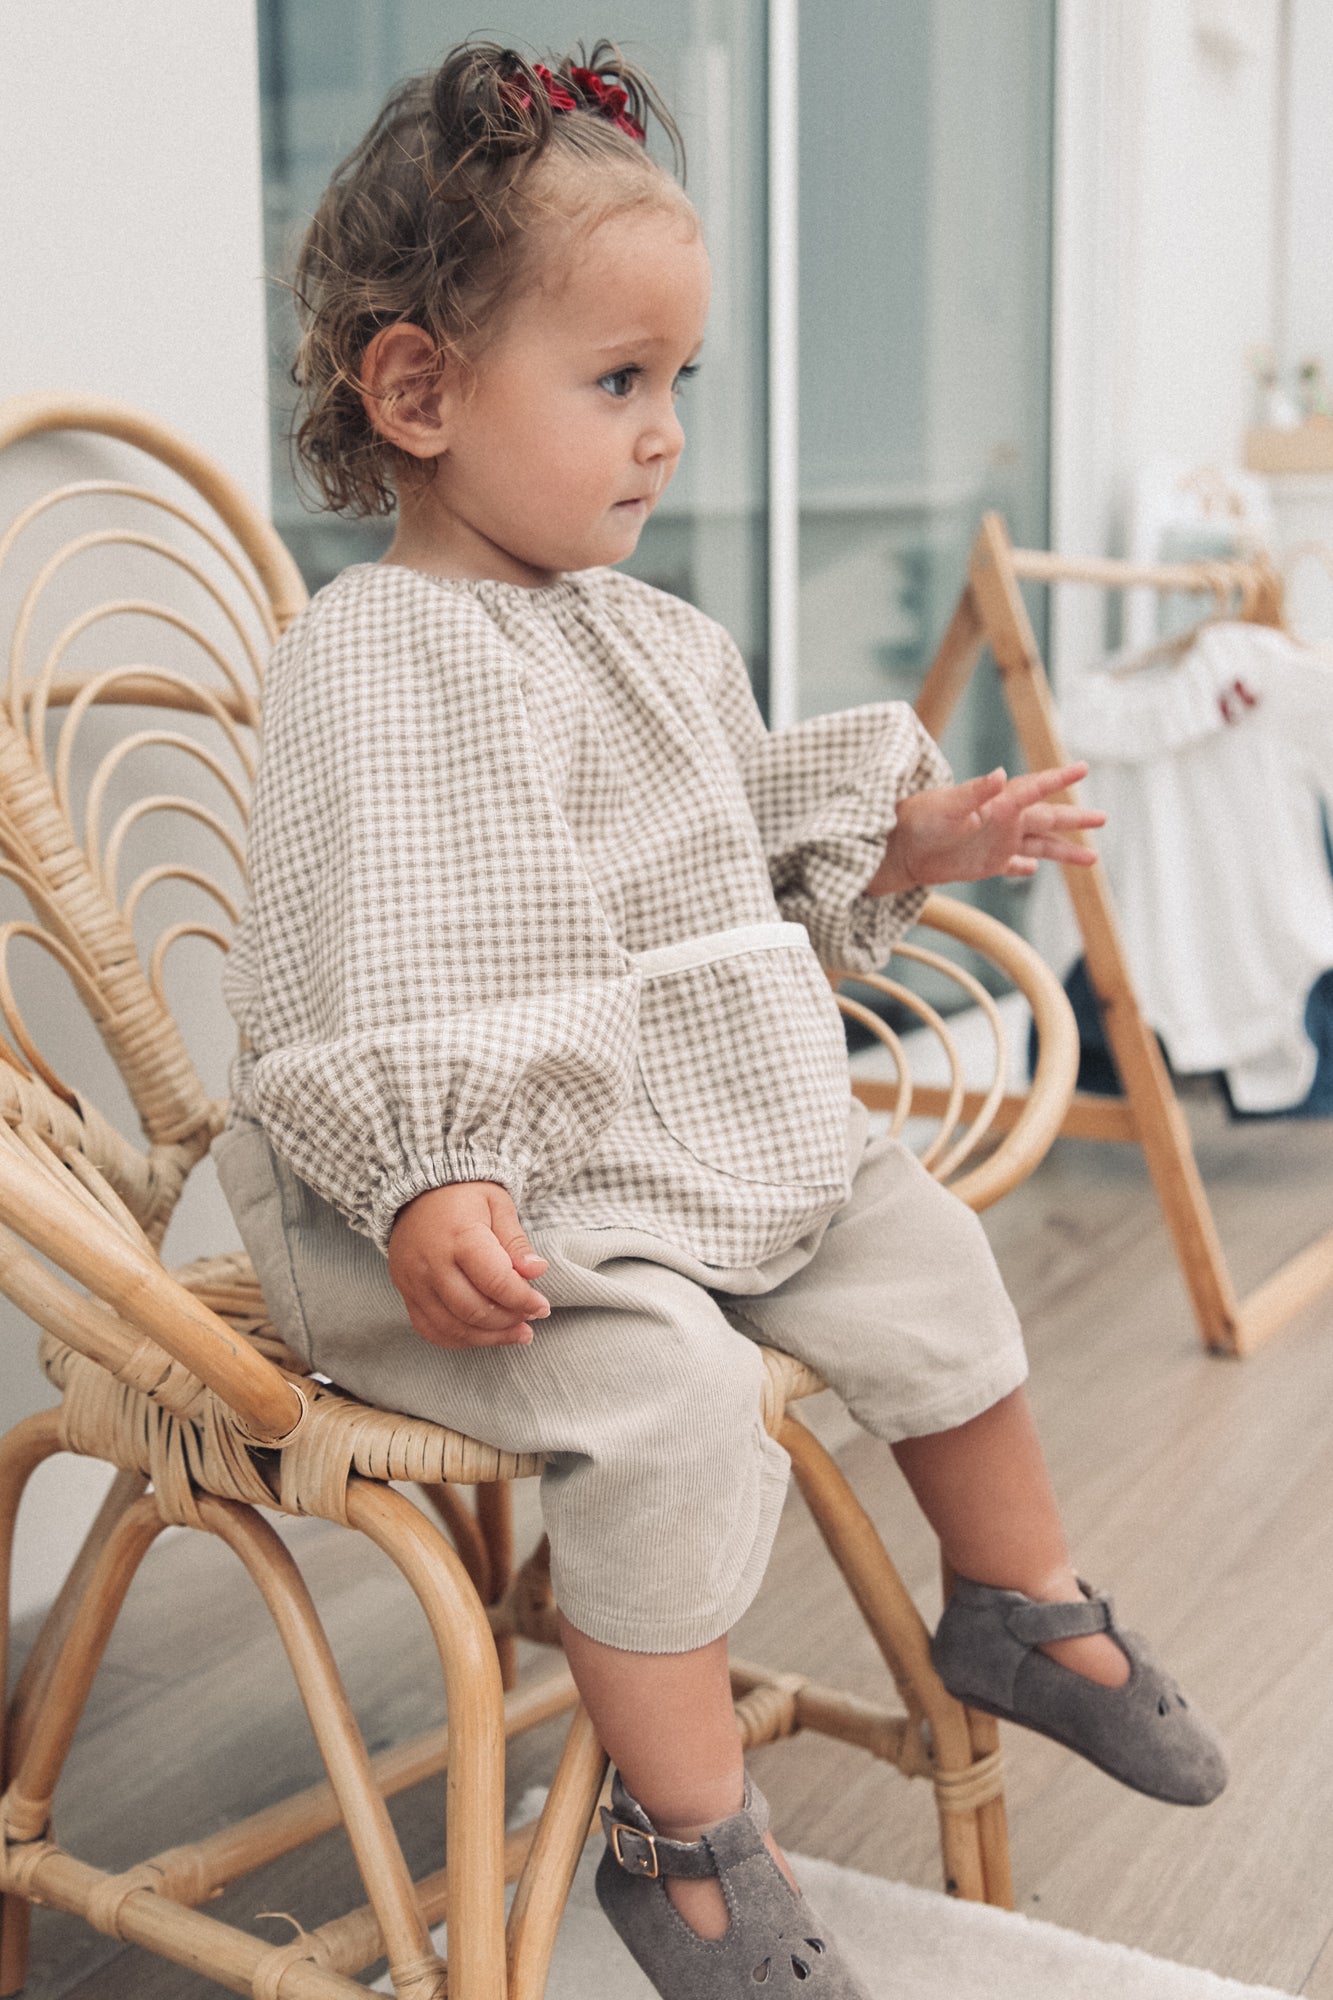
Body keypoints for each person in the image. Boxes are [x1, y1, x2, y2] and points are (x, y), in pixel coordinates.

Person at [217, 43, 1226, 2000]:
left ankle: (1017, 1599)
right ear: (415, 390)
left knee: (911, 1238)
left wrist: (905, 835)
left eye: (680, 382)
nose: (663, 434)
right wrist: (430, 1168)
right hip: (456, 1208)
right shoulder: (373, 659)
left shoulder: (659, 634)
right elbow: (361, 950)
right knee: (664, 1392)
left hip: (679, 1129)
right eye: (615, 383)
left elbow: (716, 851)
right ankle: (683, 1844)